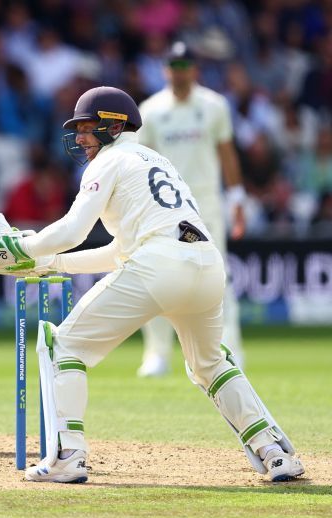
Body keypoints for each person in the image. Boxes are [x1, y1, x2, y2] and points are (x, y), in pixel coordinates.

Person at [0, 86, 304, 483]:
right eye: (78, 129)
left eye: (88, 127)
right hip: (207, 267)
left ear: (115, 125)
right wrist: (47, 262)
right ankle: (275, 452)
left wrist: (22, 247)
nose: (80, 138)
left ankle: (68, 456)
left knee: (65, 346)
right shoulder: (155, 160)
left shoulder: (109, 161)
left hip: (160, 265)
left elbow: (73, 229)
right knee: (211, 364)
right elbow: (118, 250)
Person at [135, 41, 247, 377]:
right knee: (157, 275)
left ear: (195, 69)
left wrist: (237, 198)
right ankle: (157, 354)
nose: (179, 73)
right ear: (165, 70)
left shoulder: (214, 106)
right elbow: (142, 163)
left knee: (217, 278)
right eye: (173, 66)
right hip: (166, 207)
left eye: (185, 66)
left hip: (207, 204)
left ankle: (229, 350)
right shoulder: (151, 110)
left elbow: (227, 153)